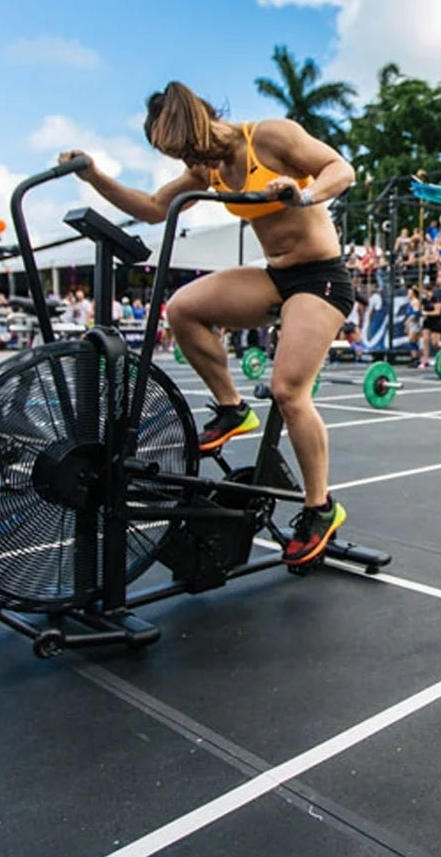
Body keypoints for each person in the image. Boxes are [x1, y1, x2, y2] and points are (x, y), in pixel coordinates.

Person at [58, 80, 356, 568]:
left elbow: (340, 168)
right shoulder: (207, 167)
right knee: (183, 309)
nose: (187, 163)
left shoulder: (270, 137)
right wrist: (94, 177)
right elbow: (154, 209)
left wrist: (302, 194)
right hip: (276, 276)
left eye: (185, 149)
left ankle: (320, 507)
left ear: (196, 125)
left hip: (321, 278)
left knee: (289, 392)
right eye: (178, 156)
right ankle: (231, 407)